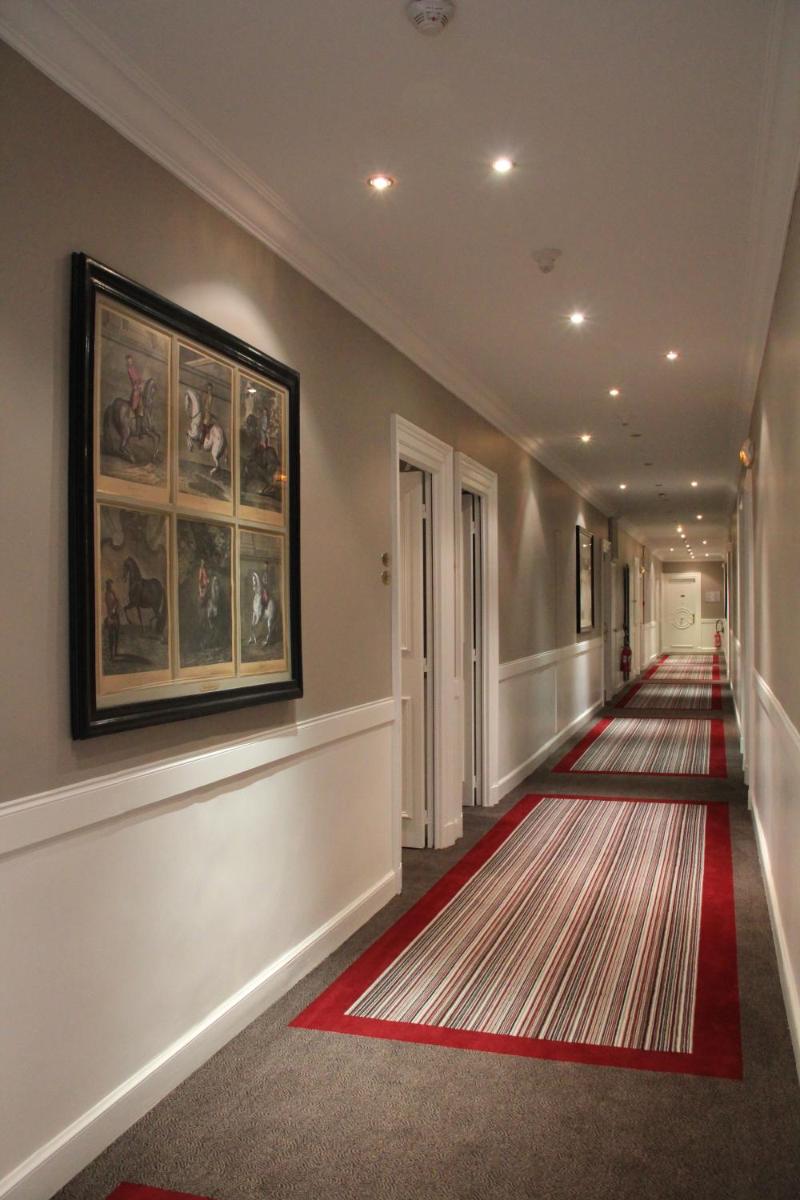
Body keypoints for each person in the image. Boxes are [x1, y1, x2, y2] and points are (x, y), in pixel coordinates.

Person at [126, 354, 144, 436]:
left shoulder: (134, 368)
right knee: (135, 400)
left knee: (143, 400)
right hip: (135, 388)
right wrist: (138, 385)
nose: (130, 361)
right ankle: (133, 414)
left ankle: (141, 426)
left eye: (130, 360)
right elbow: (134, 380)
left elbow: (139, 377)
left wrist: (141, 383)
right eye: (128, 360)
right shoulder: (129, 370)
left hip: (139, 387)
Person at [104, 578, 121, 660]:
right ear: (107, 585)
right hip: (110, 616)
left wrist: (116, 606)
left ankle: (116, 652)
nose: (110, 586)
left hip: (116, 615)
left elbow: (117, 602)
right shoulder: (107, 594)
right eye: (109, 585)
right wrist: (110, 615)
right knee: (111, 636)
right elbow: (108, 605)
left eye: (110, 585)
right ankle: (111, 654)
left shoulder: (113, 593)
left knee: (117, 634)